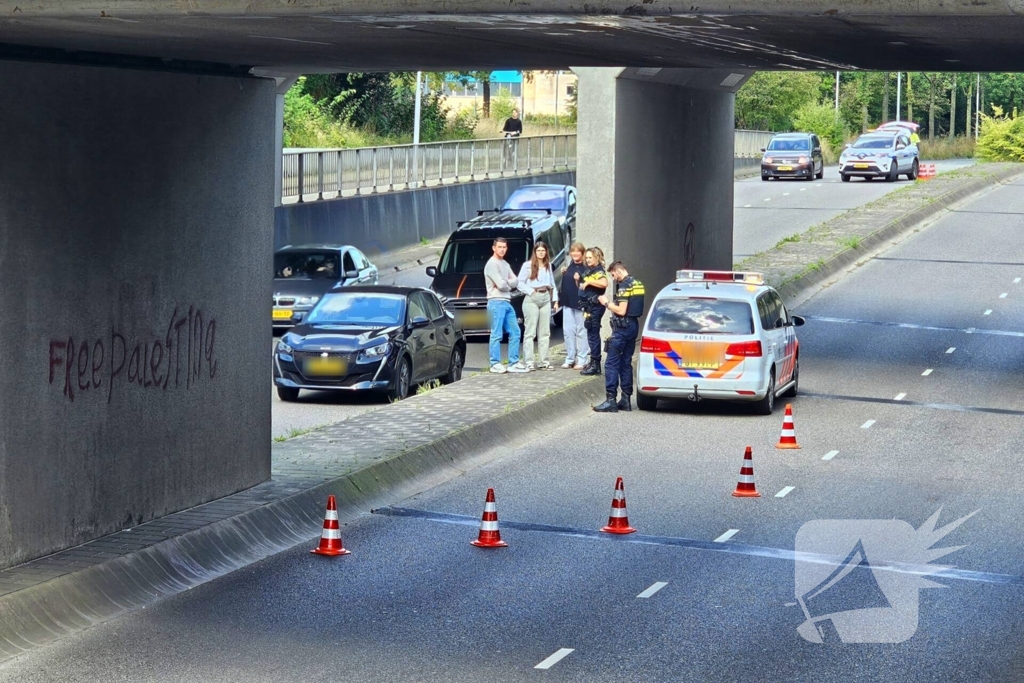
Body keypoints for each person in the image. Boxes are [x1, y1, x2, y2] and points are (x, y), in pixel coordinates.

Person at [593, 261, 645, 413]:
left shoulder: (624, 286)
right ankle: (626, 400)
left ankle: (611, 400)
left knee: (611, 363)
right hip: (633, 326)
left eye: (613, 275)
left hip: (622, 328)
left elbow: (621, 310)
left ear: (618, 271)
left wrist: (606, 303)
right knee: (626, 362)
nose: (614, 278)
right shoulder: (638, 283)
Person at [484, 237, 528, 374]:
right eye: (499, 247)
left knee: (515, 331)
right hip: (496, 301)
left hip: (506, 301)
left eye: (504, 247)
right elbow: (503, 285)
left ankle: (513, 362)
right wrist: (506, 283)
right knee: (496, 334)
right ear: (494, 248)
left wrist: (505, 283)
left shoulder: (505, 263)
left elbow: (515, 281)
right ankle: (494, 363)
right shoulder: (491, 264)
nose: (502, 249)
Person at [518, 242, 559, 370]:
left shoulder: (548, 266)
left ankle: (543, 361)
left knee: (545, 332)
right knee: (530, 332)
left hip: (546, 296)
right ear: (535, 252)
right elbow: (519, 282)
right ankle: (529, 362)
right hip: (532, 297)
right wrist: (530, 291)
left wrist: (555, 300)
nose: (541, 253)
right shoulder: (527, 265)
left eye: (543, 250)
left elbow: (552, 283)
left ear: (546, 252)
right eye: (538, 250)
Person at [576, 247, 608, 376]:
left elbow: (604, 283)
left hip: (595, 306)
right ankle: (593, 361)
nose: (588, 260)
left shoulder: (599, 270)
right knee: (590, 333)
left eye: (590, 257)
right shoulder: (590, 271)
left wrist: (589, 281)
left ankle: (596, 364)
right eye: (587, 258)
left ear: (597, 258)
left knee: (593, 334)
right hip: (588, 307)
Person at [559, 242, 589, 369]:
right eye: (573, 251)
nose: (575, 254)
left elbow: (587, 286)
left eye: (578, 251)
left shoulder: (586, 269)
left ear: (582, 253)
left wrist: (580, 279)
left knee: (581, 331)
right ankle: (570, 358)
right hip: (567, 303)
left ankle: (582, 359)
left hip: (580, 304)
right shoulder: (569, 267)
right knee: (568, 331)